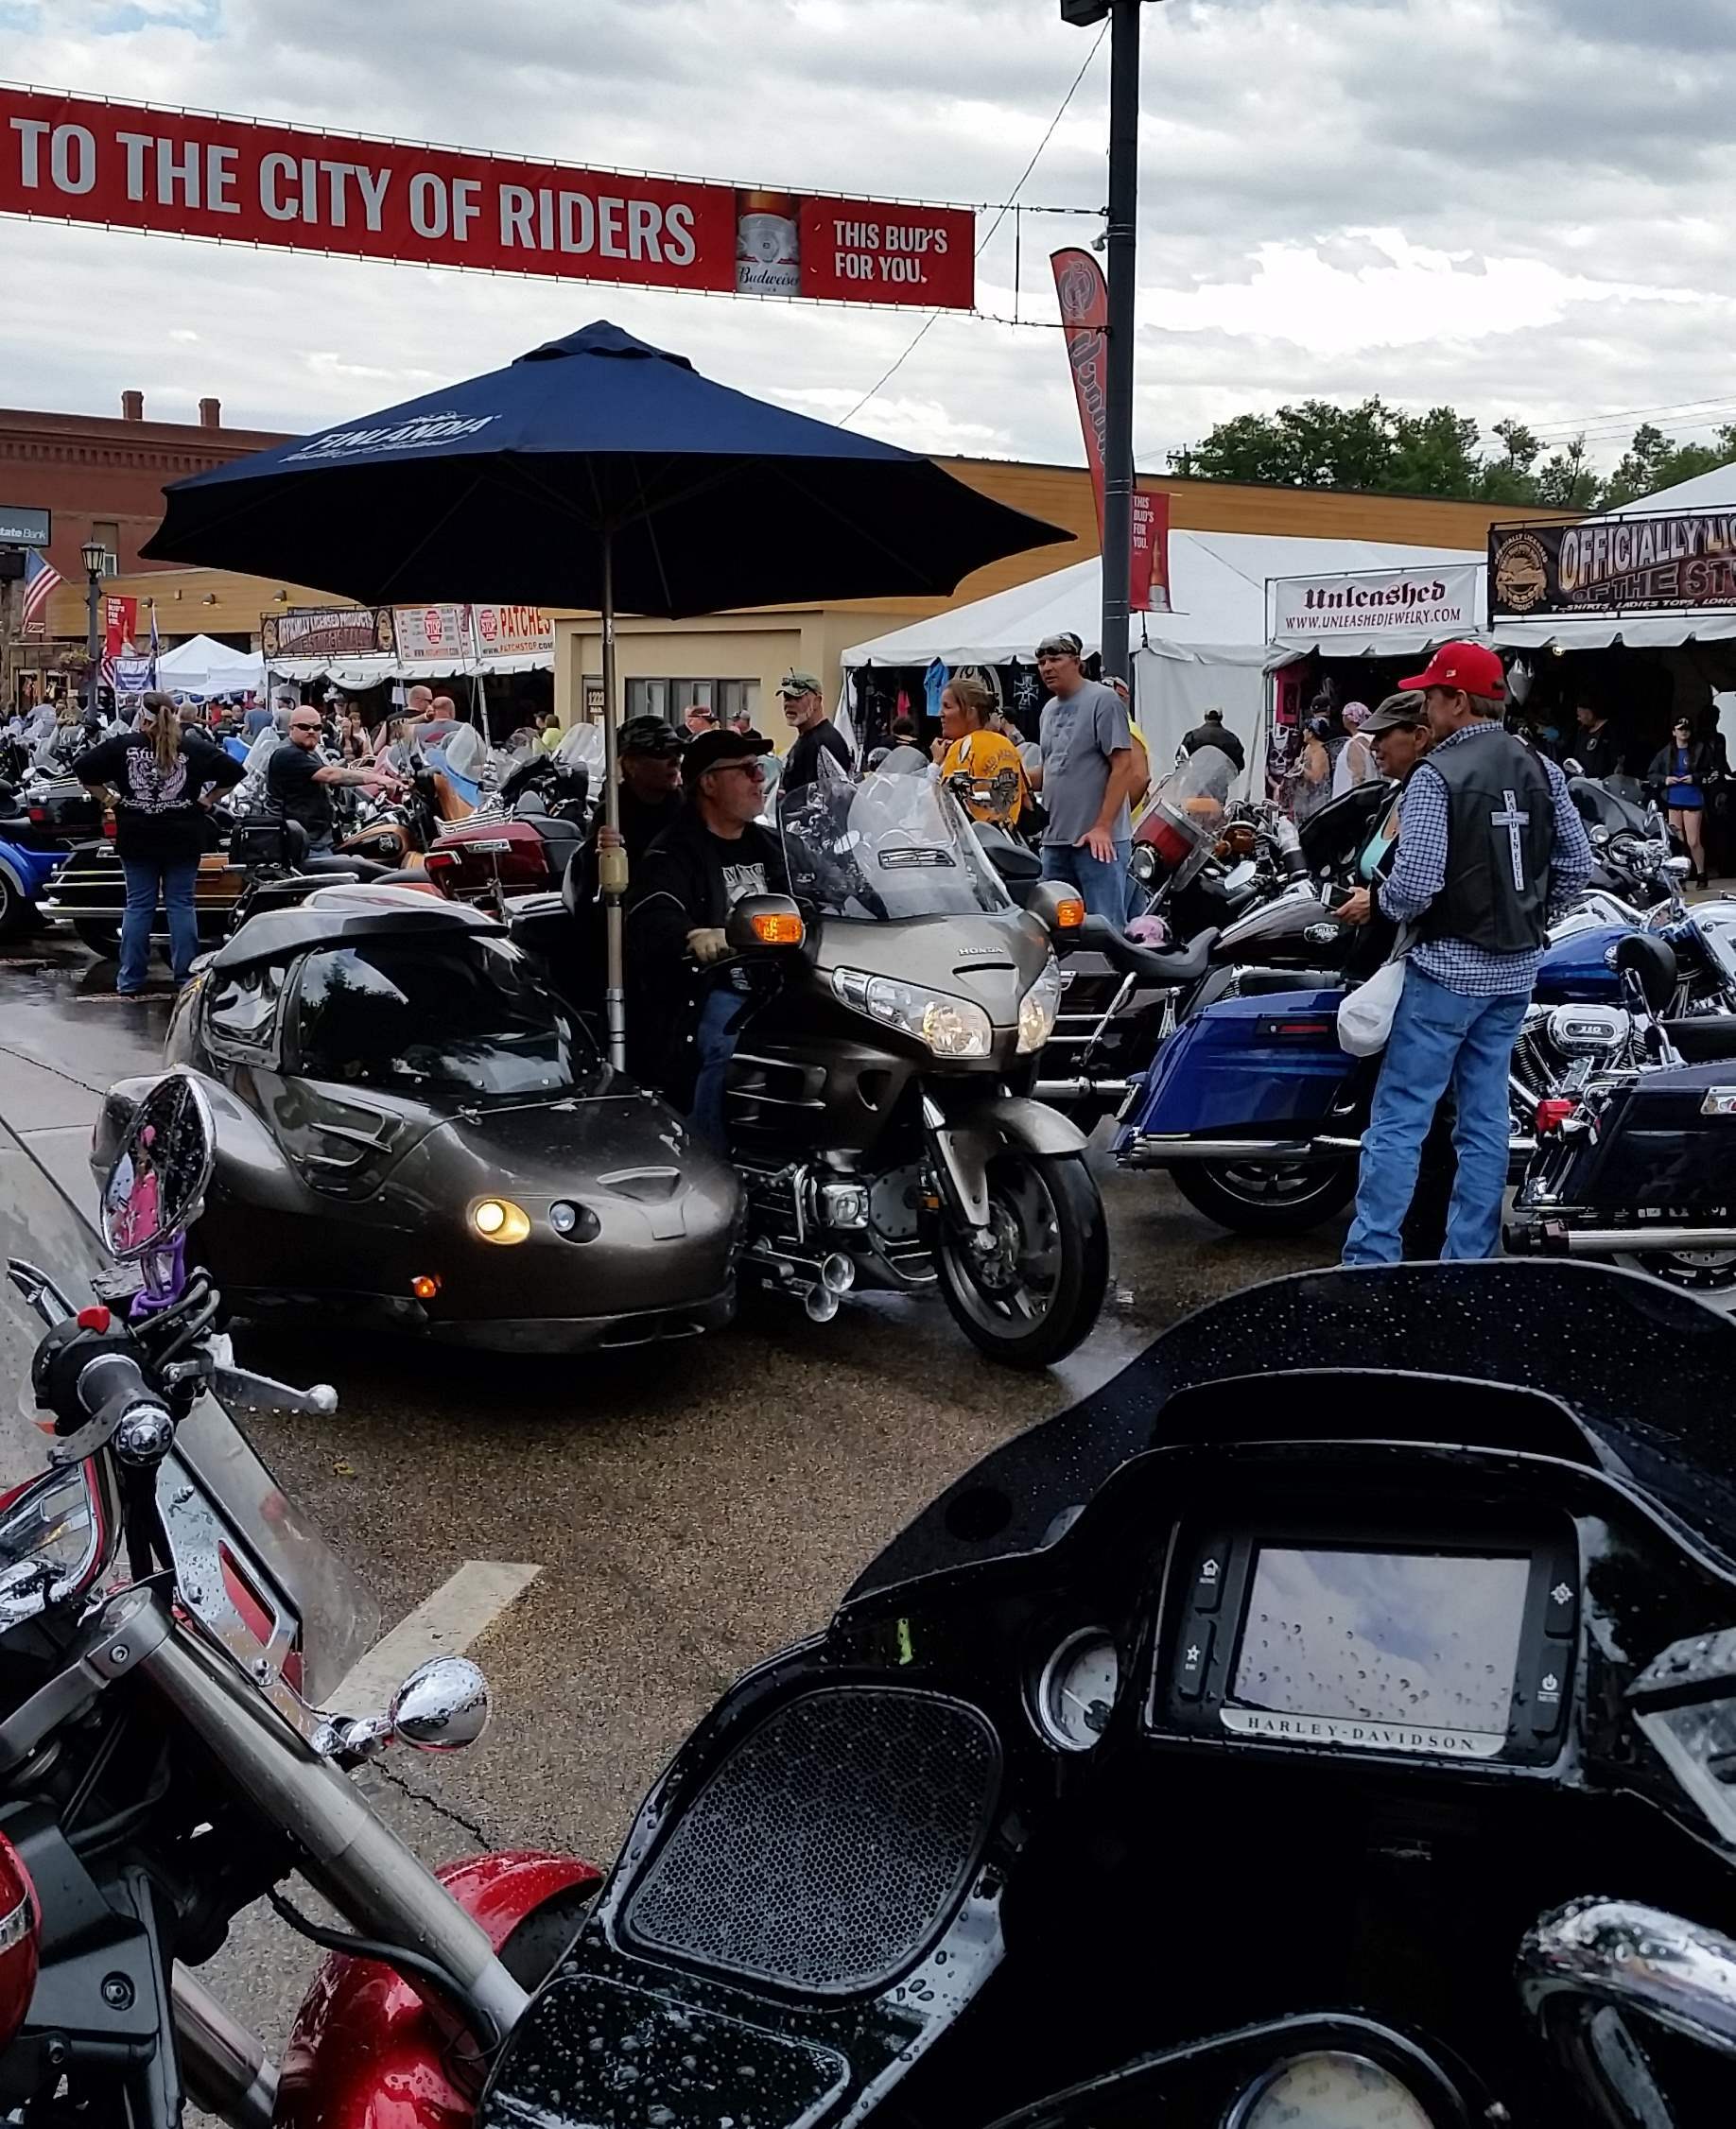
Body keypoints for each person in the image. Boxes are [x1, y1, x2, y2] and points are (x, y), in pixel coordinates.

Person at [1341, 642, 1592, 1268]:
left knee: (1400, 1118)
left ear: (1456, 700)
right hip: (1514, 970)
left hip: (1447, 968)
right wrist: (1532, 912)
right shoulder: (1541, 766)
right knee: (1483, 1121)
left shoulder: (1437, 775)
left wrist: (1383, 899)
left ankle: (1370, 1260)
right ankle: (1470, 1259)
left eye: (1431, 694)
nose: (1425, 706)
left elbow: (1417, 885)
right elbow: (1577, 865)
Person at [626, 728, 789, 1144]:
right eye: (748, 770)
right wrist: (693, 934)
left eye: (761, 770)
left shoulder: (773, 845)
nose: (760, 780)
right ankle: (713, 1165)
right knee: (727, 1047)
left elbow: (820, 889)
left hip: (785, 984)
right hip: (712, 989)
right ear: (710, 783)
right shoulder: (672, 852)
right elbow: (652, 911)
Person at [72, 691, 244, 995]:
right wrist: (206, 800)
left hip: (136, 835)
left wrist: (110, 799)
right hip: (183, 836)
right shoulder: (192, 747)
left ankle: (130, 980)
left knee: (138, 906)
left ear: (142, 715)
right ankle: (186, 979)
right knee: (181, 905)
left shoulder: (123, 746)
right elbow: (235, 771)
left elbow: (82, 768)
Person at [1027, 632, 1141, 925]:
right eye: (1041, 661)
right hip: (1054, 842)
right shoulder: (1048, 710)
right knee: (1053, 929)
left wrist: (1103, 827)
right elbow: (1052, 768)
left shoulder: (1104, 701)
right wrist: (1012, 777)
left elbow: (1124, 765)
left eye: (1055, 659)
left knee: (1104, 929)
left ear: (1076, 662)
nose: (1046, 667)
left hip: (1098, 843)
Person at [268, 702, 405, 854]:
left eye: (317, 727)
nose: (312, 731)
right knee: (354, 870)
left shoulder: (312, 753)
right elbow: (331, 775)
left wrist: (378, 804)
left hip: (322, 837)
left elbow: (339, 785)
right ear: (291, 728)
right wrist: (378, 778)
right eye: (304, 727)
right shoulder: (286, 754)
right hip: (304, 844)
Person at [932, 675, 1030, 825]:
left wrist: (936, 763)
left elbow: (941, 804)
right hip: (1005, 840)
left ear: (971, 713)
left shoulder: (961, 748)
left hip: (973, 842)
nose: (940, 713)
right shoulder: (1007, 745)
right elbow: (1026, 799)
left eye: (947, 706)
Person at [1650, 717, 1715, 887]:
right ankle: (1680, 876)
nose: (1683, 732)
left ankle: (1701, 874)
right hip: (1673, 798)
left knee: (1694, 840)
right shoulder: (1666, 752)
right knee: (1678, 842)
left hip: (1692, 797)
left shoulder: (1700, 749)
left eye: (1686, 729)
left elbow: (1709, 772)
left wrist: (1694, 778)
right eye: (1680, 729)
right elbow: (1652, 774)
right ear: (1674, 732)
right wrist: (1666, 779)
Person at [776, 671, 851, 793]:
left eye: (797, 698)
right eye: (786, 697)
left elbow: (836, 796)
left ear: (817, 701)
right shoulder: (808, 738)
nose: (789, 703)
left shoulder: (824, 742)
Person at [1181, 706, 1246, 776]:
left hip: (1194, 782)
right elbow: (1240, 764)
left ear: (1205, 717)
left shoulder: (1192, 736)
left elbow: (1181, 759)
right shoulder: (1232, 739)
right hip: (1220, 782)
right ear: (1221, 718)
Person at [1572, 701, 1623, 783]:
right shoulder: (1582, 731)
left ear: (1589, 713)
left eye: (1579, 715)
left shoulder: (1610, 731)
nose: (1578, 719)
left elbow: (1616, 757)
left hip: (1603, 781)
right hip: (1582, 780)